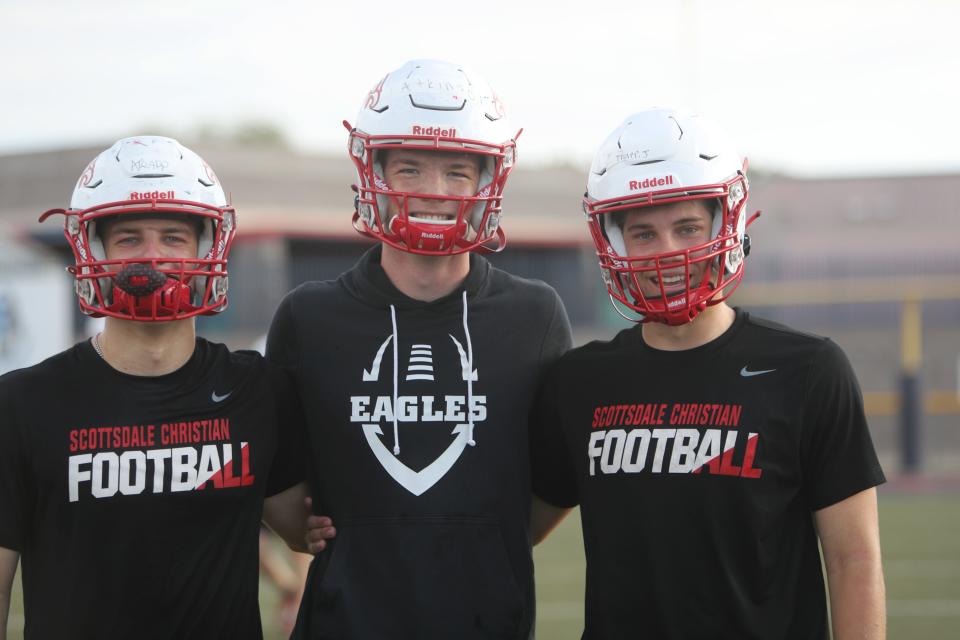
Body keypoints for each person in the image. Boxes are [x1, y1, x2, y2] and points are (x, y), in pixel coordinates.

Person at [529, 108, 886, 639]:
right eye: (644, 234)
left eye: (688, 227)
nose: (668, 252)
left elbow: (853, 561)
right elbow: (512, 531)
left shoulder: (808, 370)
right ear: (615, 244)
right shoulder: (580, 381)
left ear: (727, 224)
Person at [266, 59, 572, 639]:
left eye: (459, 171)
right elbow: (281, 492)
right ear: (371, 170)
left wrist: (475, 529)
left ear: (489, 181)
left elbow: (544, 498)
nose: (435, 191)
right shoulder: (309, 317)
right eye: (409, 167)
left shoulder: (535, 315)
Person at [0, 136, 311, 639]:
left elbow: (311, 531)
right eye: (128, 239)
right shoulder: (22, 402)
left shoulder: (258, 389)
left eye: (173, 236)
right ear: (93, 250)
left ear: (206, 248)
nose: (152, 257)